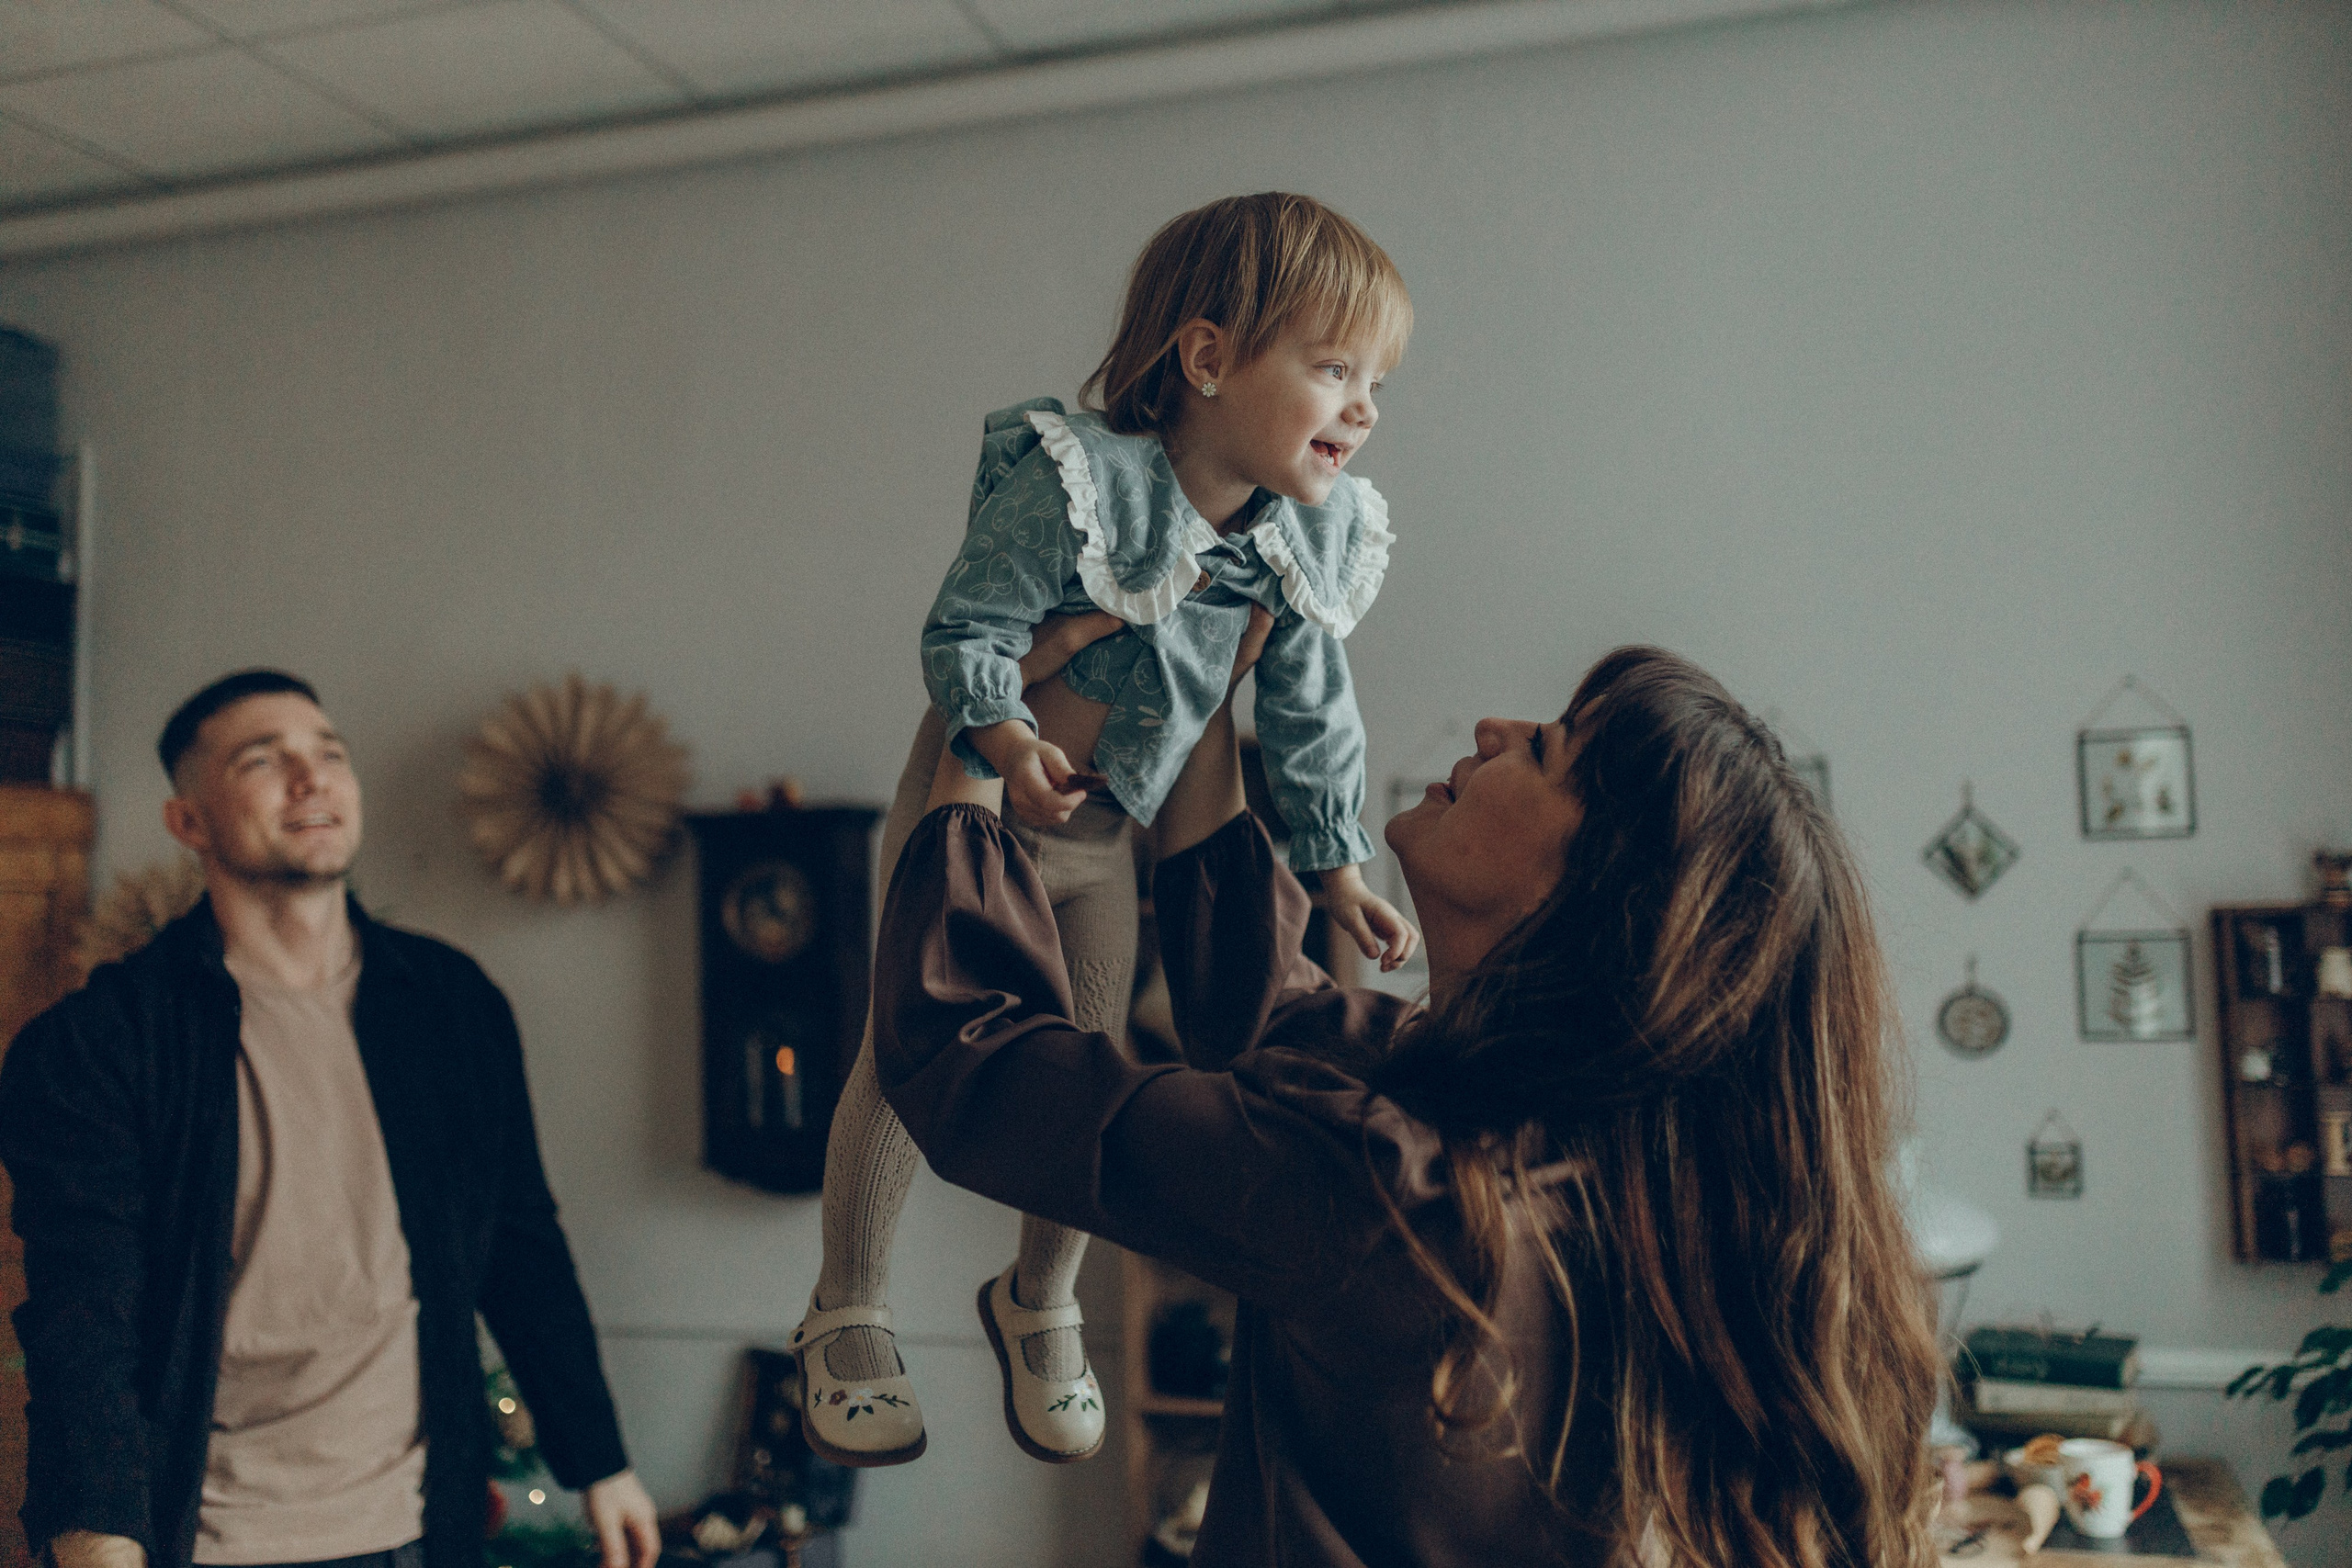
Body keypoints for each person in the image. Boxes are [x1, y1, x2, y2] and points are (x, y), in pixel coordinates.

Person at [872, 644, 1943, 1567]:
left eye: (1545, 749)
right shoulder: (1558, 1151)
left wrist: (979, 718)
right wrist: (1203, 683)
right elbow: (1271, 1012)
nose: (1493, 728)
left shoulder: (1391, 1188)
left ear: (1598, 899)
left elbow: (968, 1057)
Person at [793, 191, 1419, 1469]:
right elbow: (968, 627)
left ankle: (1040, 1298)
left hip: (1102, 839)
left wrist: (1337, 865)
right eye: (1334, 368)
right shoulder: (1082, 484)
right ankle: (847, 1305)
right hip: (980, 805)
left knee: (1088, 1057)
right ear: (1208, 358)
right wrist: (1004, 737)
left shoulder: (1302, 540)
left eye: (1377, 382)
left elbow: (1309, 711)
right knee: (905, 1048)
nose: (1363, 408)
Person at [0, 671, 660, 1568]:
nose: (311, 779)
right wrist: (100, 1542)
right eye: (262, 761)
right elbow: (84, 1323)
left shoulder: (451, 1004)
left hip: (419, 1528)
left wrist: (602, 1463)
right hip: (213, 1536)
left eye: (330, 755)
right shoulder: (100, 1043)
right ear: (189, 822)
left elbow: (520, 1242)